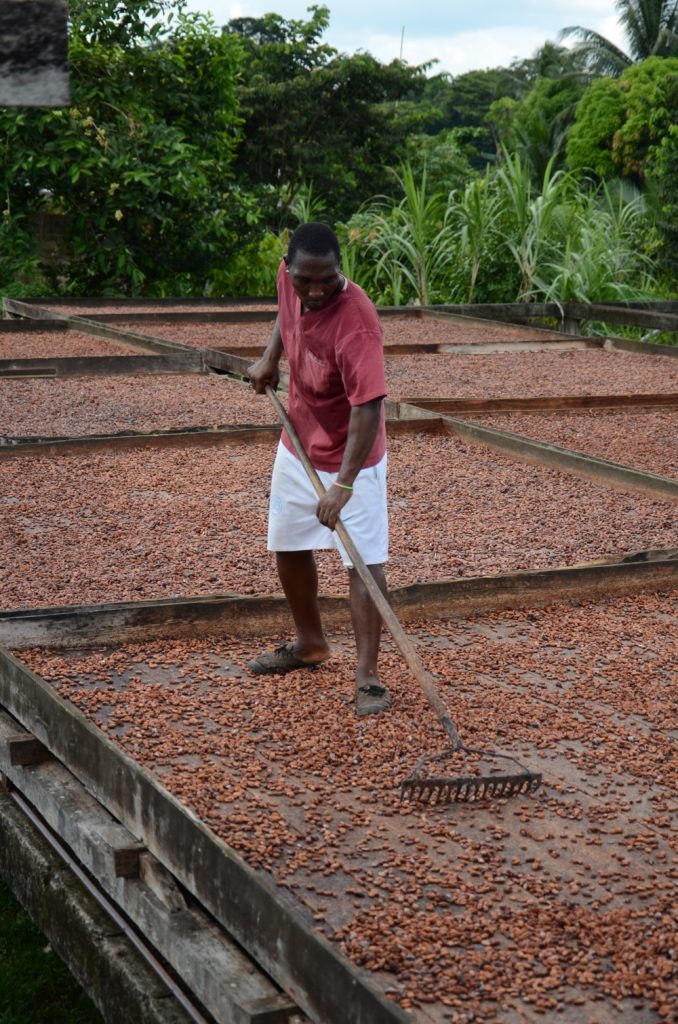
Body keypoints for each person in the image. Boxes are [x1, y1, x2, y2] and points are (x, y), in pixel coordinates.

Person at [246, 222, 391, 716]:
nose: (315, 290)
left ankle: (368, 676)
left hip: (355, 456)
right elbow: (286, 314)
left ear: (339, 270)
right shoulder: (293, 281)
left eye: (326, 279)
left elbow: (367, 408)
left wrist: (343, 486)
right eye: (305, 279)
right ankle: (310, 643)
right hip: (298, 442)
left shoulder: (357, 322)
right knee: (287, 543)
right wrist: (271, 357)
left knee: (364, 563)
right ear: (289, 269)